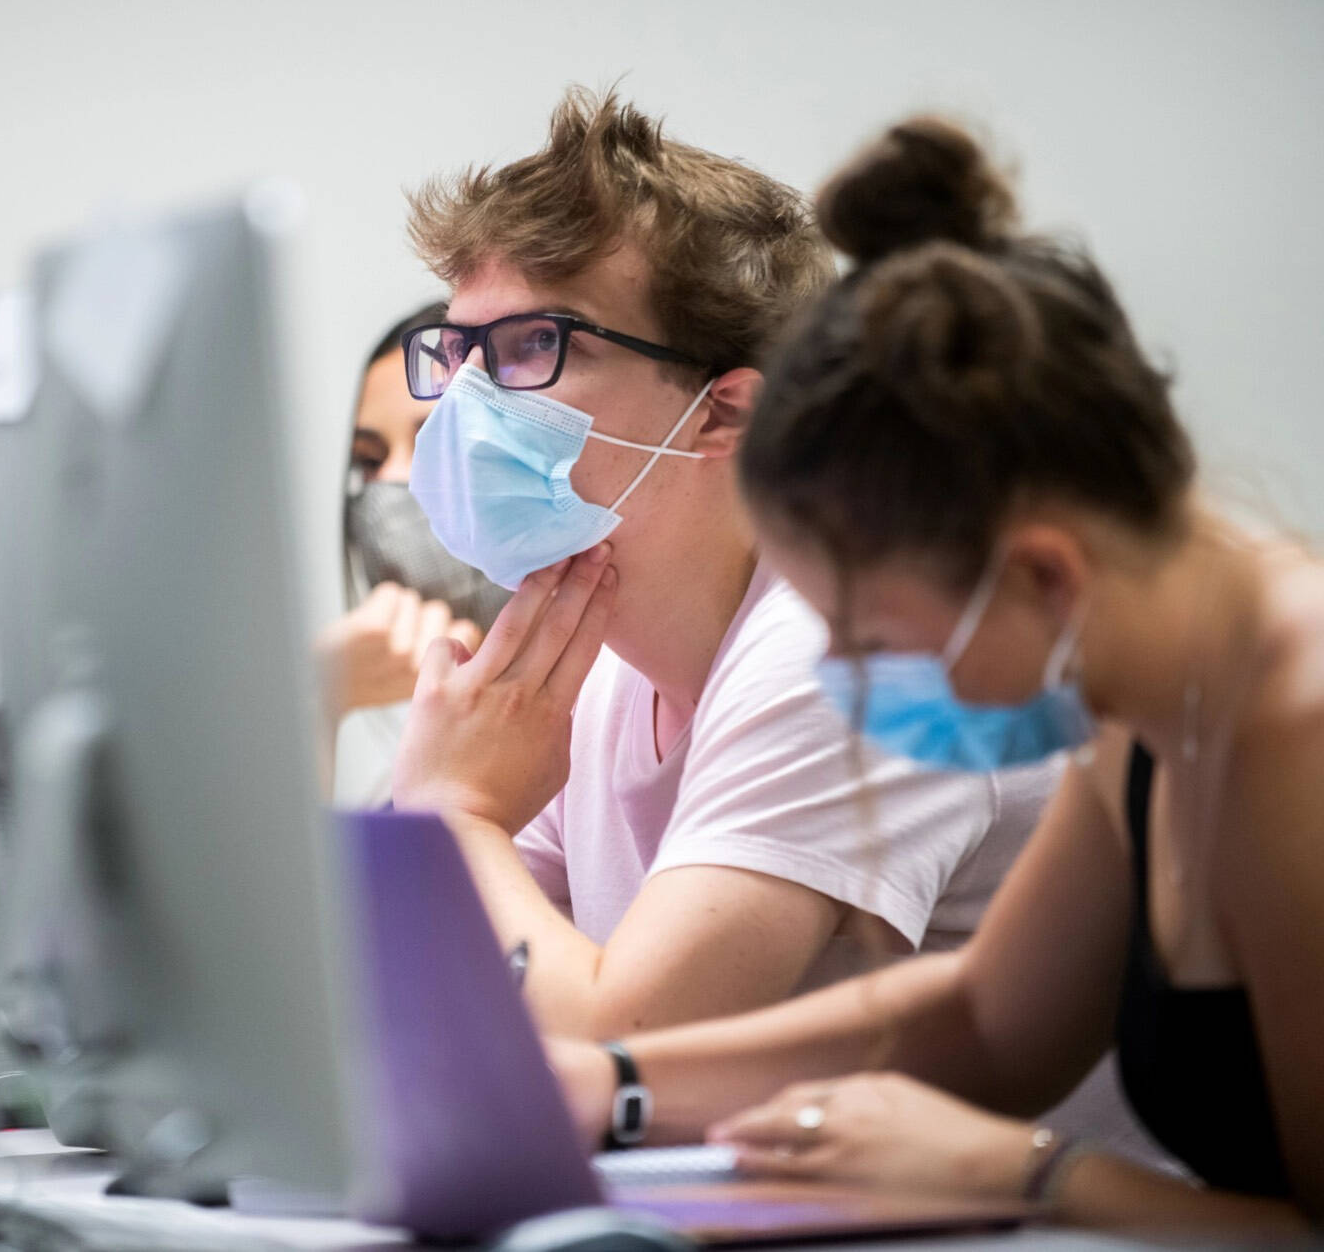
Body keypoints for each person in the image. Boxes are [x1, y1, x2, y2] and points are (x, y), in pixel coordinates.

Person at [547, 117, 1319, 1229]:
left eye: (868, 639)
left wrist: (1027, 1169)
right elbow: (987, 1018)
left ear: (1041, 576)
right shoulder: (1146, 710)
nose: (851, 682)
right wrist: (615, 1084)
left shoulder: (1299, 728)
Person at [389, 87, 1061, 1041]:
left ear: (725, 411)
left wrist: (452, 811)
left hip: (1040, 1192)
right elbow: (402, 1009)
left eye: (534, 344)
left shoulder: (851, 647)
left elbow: (630, 1047)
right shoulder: (594, 672)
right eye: (455, 352)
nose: (461, 401)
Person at [319, 304, 507, 804]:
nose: (388, 489)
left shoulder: (633, 725)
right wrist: (316, 702)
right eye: (368, 460)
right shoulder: (404, 786)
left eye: (434, 443)